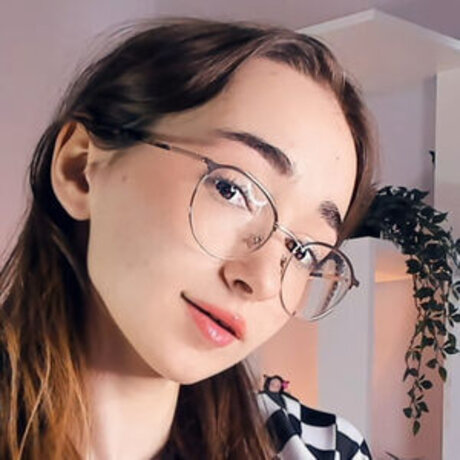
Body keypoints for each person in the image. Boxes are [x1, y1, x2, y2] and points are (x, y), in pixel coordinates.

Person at [0, 17, 376, 459]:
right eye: (233, 189)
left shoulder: (317, 450)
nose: (263, 281)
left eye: (305, 251)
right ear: (80, 168)